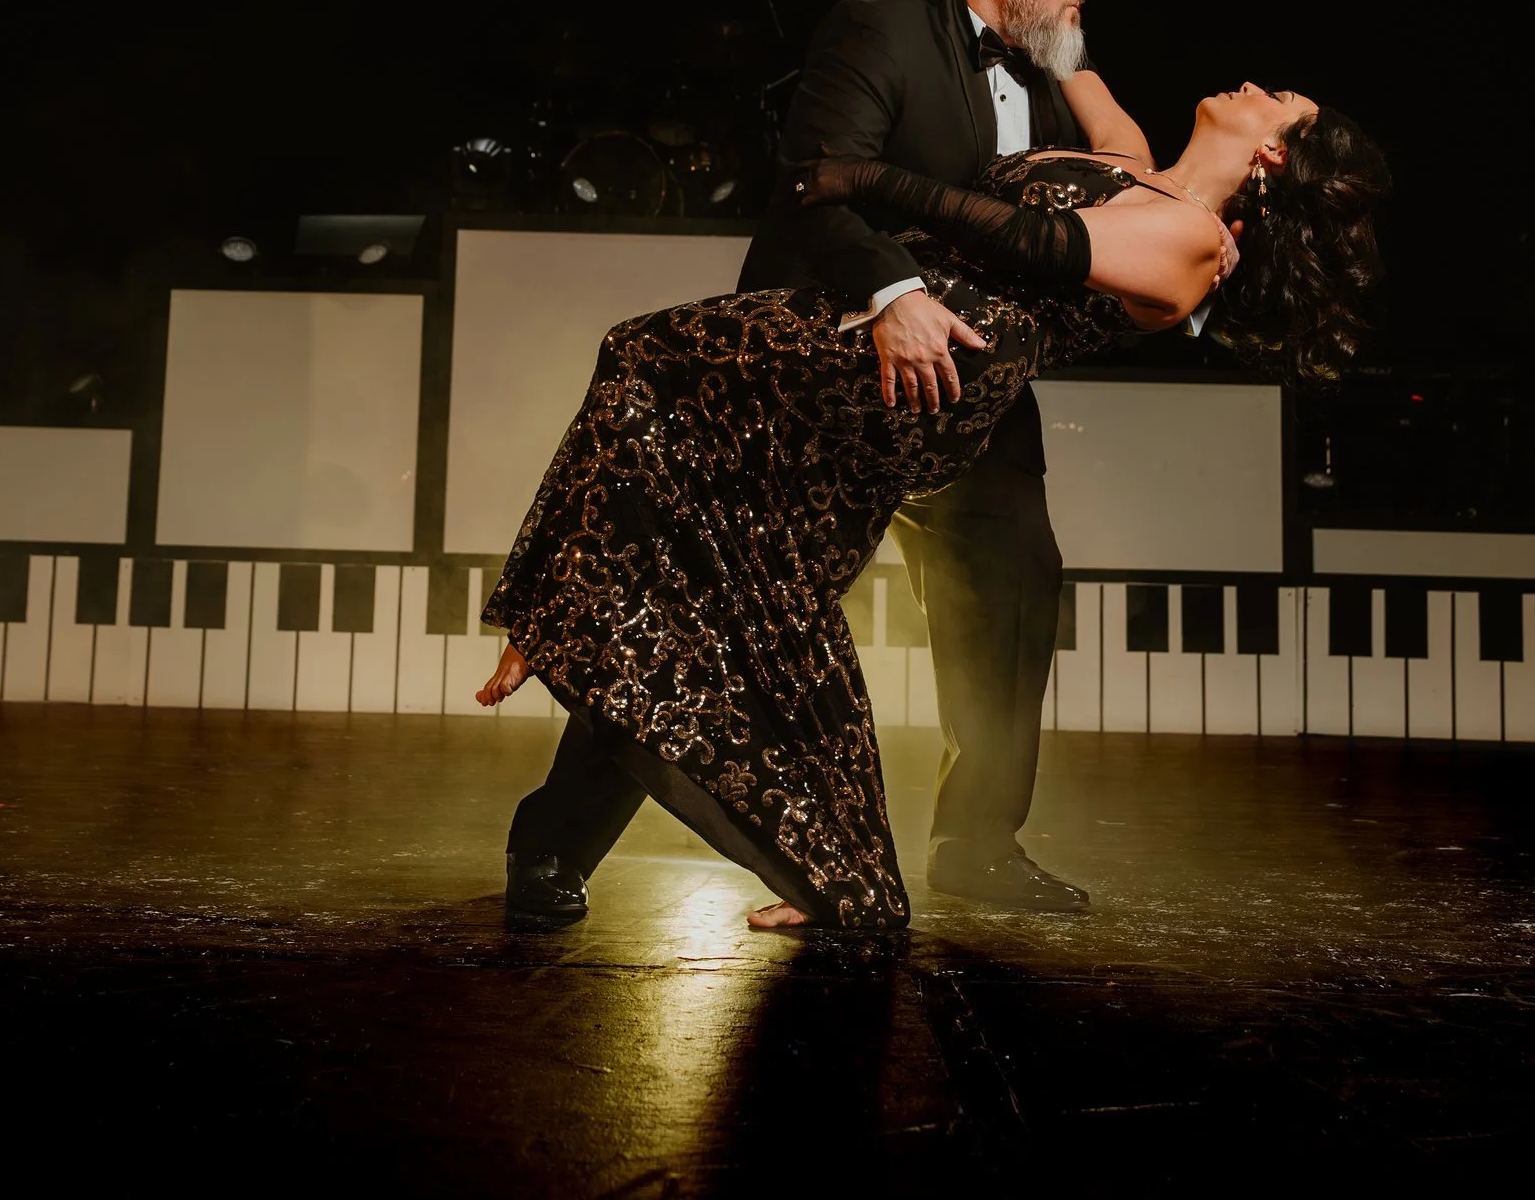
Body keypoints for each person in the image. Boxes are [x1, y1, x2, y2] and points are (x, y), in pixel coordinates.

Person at [477, 82, 1391, 929]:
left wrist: (868, 180)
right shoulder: (1136, 165)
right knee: (760, 592)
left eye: (1273, 100)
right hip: (882, 342)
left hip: (931, 368)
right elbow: (1071, 61)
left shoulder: (1192, 244)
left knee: (643, 356)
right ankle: (839, 872)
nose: (1248, 86)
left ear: (1273, 153)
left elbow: (1025, 242)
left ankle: (543, 612)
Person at [497, 0, 1153, 923]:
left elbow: (1124, 187)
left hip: (966, 396)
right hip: (828, 384)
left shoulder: (1048, 68)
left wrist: (1070, 56)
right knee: (722, 613)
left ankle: (977, 842)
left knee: (1017, 573)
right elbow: (812, 186)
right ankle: (553, 841)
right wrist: (890, 289)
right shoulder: (879, 29)